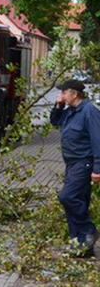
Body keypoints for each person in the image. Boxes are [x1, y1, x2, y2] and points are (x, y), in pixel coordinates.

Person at [50, 79, 100, 257]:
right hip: (72, 163)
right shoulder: (70, 111)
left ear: (74, 93)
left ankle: (88, 230)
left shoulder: (89, 111)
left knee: (67, 196)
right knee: (80, 200)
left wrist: (97, 168)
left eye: (64, 93)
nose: (61, 96)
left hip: (83, 162)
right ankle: (81, 246)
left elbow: (97, 140)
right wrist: (58, 106)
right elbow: (55, 122)